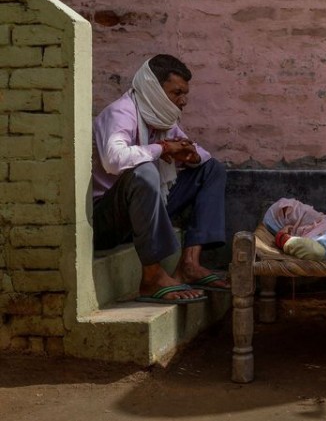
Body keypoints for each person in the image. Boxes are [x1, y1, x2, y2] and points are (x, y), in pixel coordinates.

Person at [92, 54, 229, 304]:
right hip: (107, 219)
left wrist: (190, 155)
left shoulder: (161, 118)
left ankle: (189, 263)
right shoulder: (121, 113)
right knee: (145, 171)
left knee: (212, 169)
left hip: (145, 210)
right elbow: (113, 159)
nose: (183, 101)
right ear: (153, 89)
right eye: (176, 93)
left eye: (184, 94)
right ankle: (152, 277)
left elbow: (196, 152)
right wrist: (163, 149)